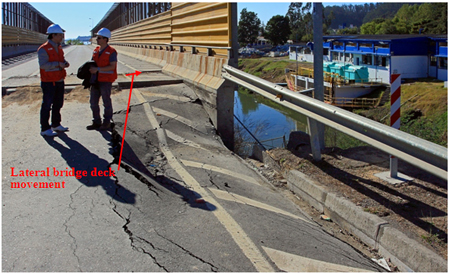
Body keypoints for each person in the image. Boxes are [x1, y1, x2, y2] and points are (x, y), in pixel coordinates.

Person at [38, 24, 70, 136]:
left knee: (58, 103)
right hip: (48, 81)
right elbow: (43, 65)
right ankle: (45, 129)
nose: (62, 36)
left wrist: (64, 63)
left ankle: (56, 124)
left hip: (59, 80)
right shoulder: (43, 49)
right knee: (47, 105)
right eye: (60, 35)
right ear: (53, 35)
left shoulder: (59, 47)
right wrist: (58, 64)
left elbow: (61, 59)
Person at [87, 27, 117, 131]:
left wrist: (98, 69)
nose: (97, 39)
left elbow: (112, 66)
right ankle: (96, 121)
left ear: (105, 39)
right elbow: (92, 63)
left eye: (99, 38)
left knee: (106, 102)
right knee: (93, 102)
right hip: (95, 80)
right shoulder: (95, 51)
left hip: (106, 80)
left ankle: (107, 122)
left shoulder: (111, 51)